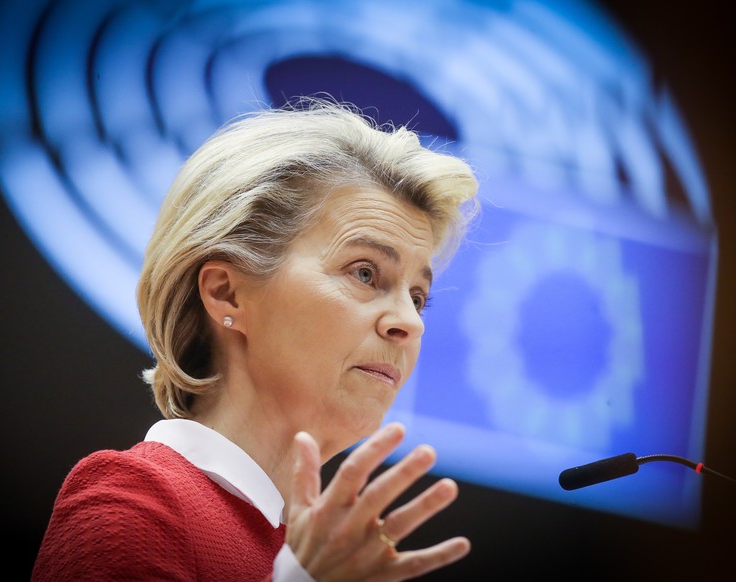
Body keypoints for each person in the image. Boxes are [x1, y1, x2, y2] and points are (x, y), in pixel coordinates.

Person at [31, 96, 480, 581]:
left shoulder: (328, 561)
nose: (410, 323)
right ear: (227, 295)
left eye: (418, 297)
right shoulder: (133, 499)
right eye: (366, 272)